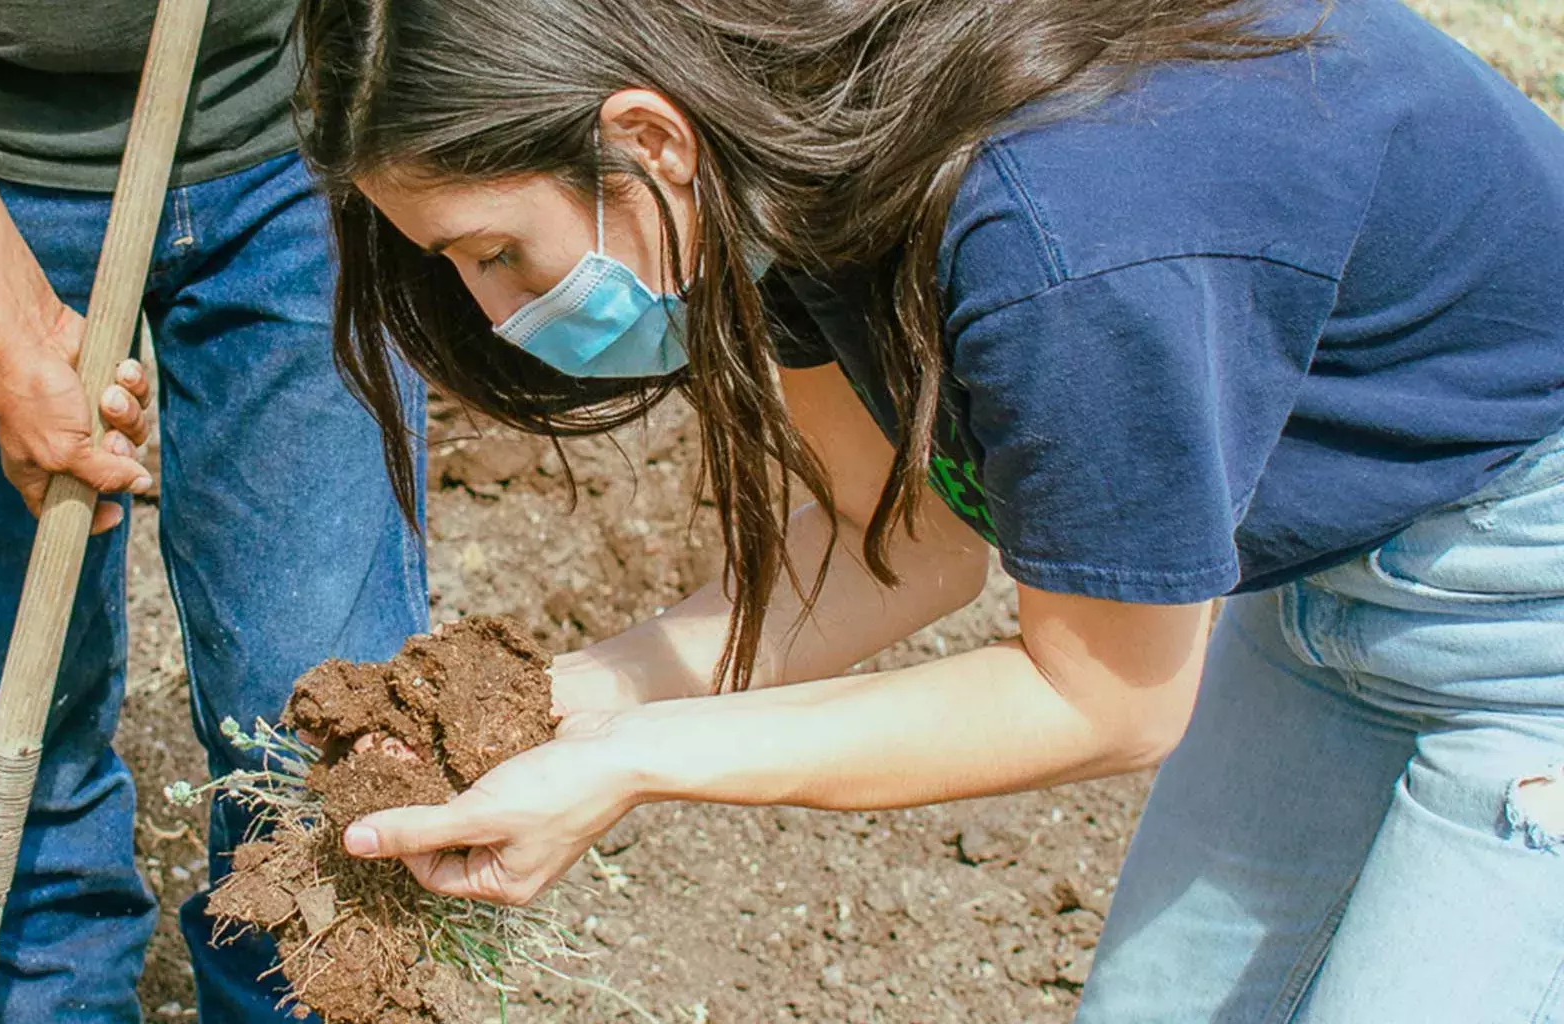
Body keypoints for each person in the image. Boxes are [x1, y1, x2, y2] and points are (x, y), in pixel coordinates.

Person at [285, 0, 1564, 1020]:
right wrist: (547, 709)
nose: (500, 313)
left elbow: (1109, 699)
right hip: (1330, 608)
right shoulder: (777, 170)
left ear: (646, 142)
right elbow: (888, 541)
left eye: (493, 252)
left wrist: (634, 764)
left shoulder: (1066, 234)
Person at [0, 1, 427, 1020]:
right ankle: (39, 983)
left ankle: (303, 996)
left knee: (323, 701)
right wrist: (5, 326)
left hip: (298, 146)